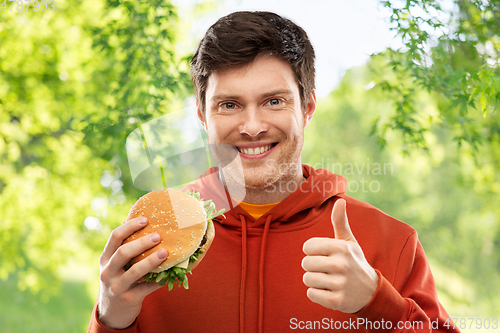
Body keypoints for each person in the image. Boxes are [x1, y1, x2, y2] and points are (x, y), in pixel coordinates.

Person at [88, 11, 459, 333]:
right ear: (203, 117)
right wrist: (110, 315)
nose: (252, 126)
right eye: (229, 104)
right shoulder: (153, 244)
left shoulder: (389, 242)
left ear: (308, 107)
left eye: (274, 101)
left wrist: (381, 306)